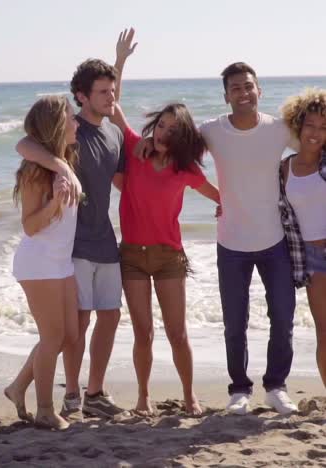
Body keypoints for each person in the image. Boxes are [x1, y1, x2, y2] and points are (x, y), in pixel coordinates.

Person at [112, 29, 220, 415]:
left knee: (177, 333)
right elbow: (112, 108)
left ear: (181, 137)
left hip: (169, 256)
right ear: (154, 126)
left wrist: (227, 209)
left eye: (173, 130)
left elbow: (214, 193)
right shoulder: (133, 148)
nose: (163, 133)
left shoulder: (184, 169)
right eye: (161, 126)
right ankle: (142, 398)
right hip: (131, 257)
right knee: (143, 333)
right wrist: (120, 62)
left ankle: (190, 396)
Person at [15, 59, 128, 420]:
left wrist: (120, 63)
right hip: (54, 258)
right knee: (61, 335)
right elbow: (25, 144)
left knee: (83, 327)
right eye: (101, 91)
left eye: (112, 90)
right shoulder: (50, 159)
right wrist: (60, 176)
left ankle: (24, 388)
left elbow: (108, 106)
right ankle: (57, 403)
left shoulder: (92, 142)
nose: (74, 123)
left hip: (80, 253)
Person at [199, 63, 299, 415]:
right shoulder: (211, 131)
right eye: (236, 88)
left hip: (275, 241)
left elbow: (314, 146)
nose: (244, 93)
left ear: (260, 91)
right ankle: (239, 389)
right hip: (231, 244)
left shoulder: (279, 129)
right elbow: (177, 159)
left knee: (283, 317)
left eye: (249, 86)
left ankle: (276, 386)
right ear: (226, 96)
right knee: (234, 322)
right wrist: (215, 196)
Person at [4, 95, 80, 430]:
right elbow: (31, 226)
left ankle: (18, 386)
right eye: (71, 119)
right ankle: (45, 411)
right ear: (57, 126)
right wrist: (54, 205)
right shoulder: (36, 173)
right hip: (38, 263)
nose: (76, 123)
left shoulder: (63, 162)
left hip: (60, 262)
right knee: (52, 338)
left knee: (68, 336)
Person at [279, 88, 326, 386]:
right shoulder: (285, 168)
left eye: (324, 127)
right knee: (324, 330)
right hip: (309, 258)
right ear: (298, 124)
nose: (316, 133)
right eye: (310, 125)